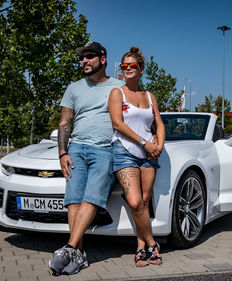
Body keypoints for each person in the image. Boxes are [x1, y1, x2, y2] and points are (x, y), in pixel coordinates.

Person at [48, 41, 124, 276]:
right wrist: (62, 152)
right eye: (82, 57)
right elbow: (64, 122)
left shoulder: (119, 87)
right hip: (76, 149)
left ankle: (69, 248)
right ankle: (78, 255)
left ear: (103, 59)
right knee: (73, 200)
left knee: (92, 197)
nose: (84, 61)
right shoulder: (74, 88)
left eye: (89, 57)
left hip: (105, 150)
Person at [108, 47, 165, 267]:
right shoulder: (117, 93)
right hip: (124, 151)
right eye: (124, 66)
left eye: (132, 66)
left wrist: (159, 144)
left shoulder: (150, 96)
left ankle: (141, 249)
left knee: (144, 201)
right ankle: (152, 244)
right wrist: (144, 143)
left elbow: (158, 123)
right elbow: (117, 124)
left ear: (141, 69)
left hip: (149, 155)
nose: (128, 69)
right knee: (134, 201)